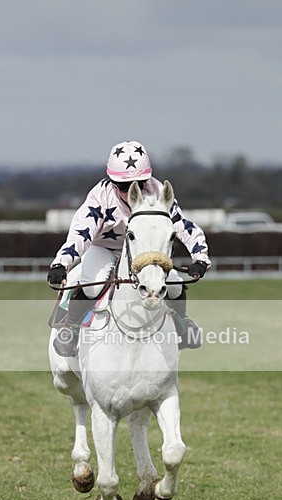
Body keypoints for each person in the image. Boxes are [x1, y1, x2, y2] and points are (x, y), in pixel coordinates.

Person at [47, 140, 210, 356]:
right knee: (91, 287)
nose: (130, 191)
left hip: (144, 252)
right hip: (105, 248)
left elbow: (182, 225)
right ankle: (71, 328)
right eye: (123, 186)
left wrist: (200, 258)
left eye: (139, 183)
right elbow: (80, 233)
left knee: (175, 284)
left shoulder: (158, 191)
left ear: (147, 180)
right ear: (112, 182)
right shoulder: (100, 197)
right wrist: (61, 263)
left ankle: (183, 324)